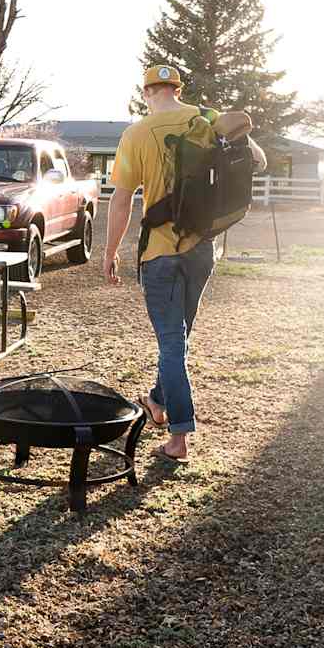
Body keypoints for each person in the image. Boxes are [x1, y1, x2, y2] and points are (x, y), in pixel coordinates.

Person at [103, 65, 266, 461]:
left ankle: (179, 437)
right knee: (178, 338)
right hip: (202, 249)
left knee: (171, 343)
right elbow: (258, 161)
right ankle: (157, 400)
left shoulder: (136, 133)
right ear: (179, 89)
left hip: (160, 252)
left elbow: (122, 199)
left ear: (146, 93)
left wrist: (110, 252)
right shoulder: (205, 118)